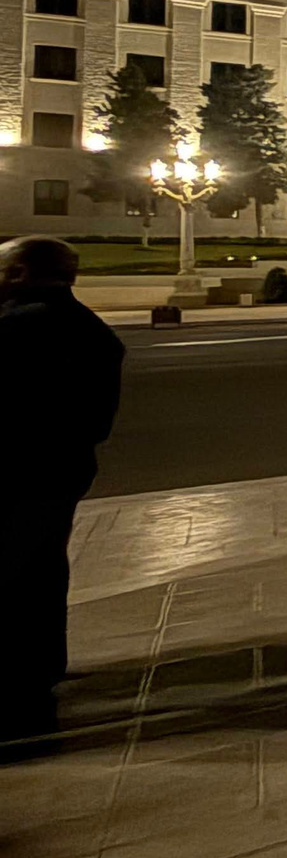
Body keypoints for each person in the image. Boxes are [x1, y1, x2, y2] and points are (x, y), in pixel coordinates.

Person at [0, 238, 123, 741]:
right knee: (42, 570)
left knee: (12, 580)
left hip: (13, 472)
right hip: (61, 470)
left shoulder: (13, 328)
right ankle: (39, 672)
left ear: (20, 273)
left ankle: (17, 691)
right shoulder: (94, 331)